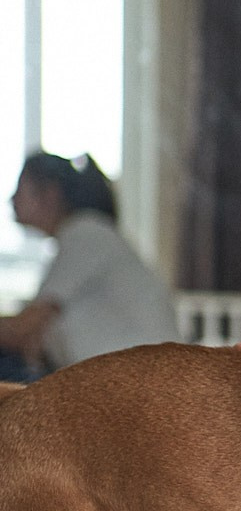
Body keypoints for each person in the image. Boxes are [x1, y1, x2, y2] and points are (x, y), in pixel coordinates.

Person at [0, 152, 178, 375]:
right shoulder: (83, 236)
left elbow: (24, 327)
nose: (11, 199)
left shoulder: (85, 233)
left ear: (50, 193)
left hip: (139, 379)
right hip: (133, 376)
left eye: (20, 189)